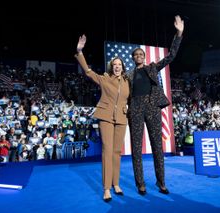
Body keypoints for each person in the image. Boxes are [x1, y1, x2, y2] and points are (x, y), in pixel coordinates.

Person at [127, 15, 184, 195]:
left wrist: (179, 33)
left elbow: (171, 56)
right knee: (136, 148)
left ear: (144, 57)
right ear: (133, 58)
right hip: (135, 108)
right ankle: (140, 184)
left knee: (157, 147)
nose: (139, 56)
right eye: (136, 54)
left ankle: (161, 183)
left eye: (141, 54)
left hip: (152, 107)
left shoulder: (152, 68)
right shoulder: (127, 75)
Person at [75, 35, 130, 202]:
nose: (117, 67)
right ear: (111, 66)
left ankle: (116, 184)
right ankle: (107, 188)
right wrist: (79, 51)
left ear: (123, 66)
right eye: (115, 65)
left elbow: (133, 97)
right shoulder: (104, 78)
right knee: (107, 150)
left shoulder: (128, 81)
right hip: (105, 116)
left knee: (117, 152)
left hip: (121, 117)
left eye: (119, 65)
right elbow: (88, 71)